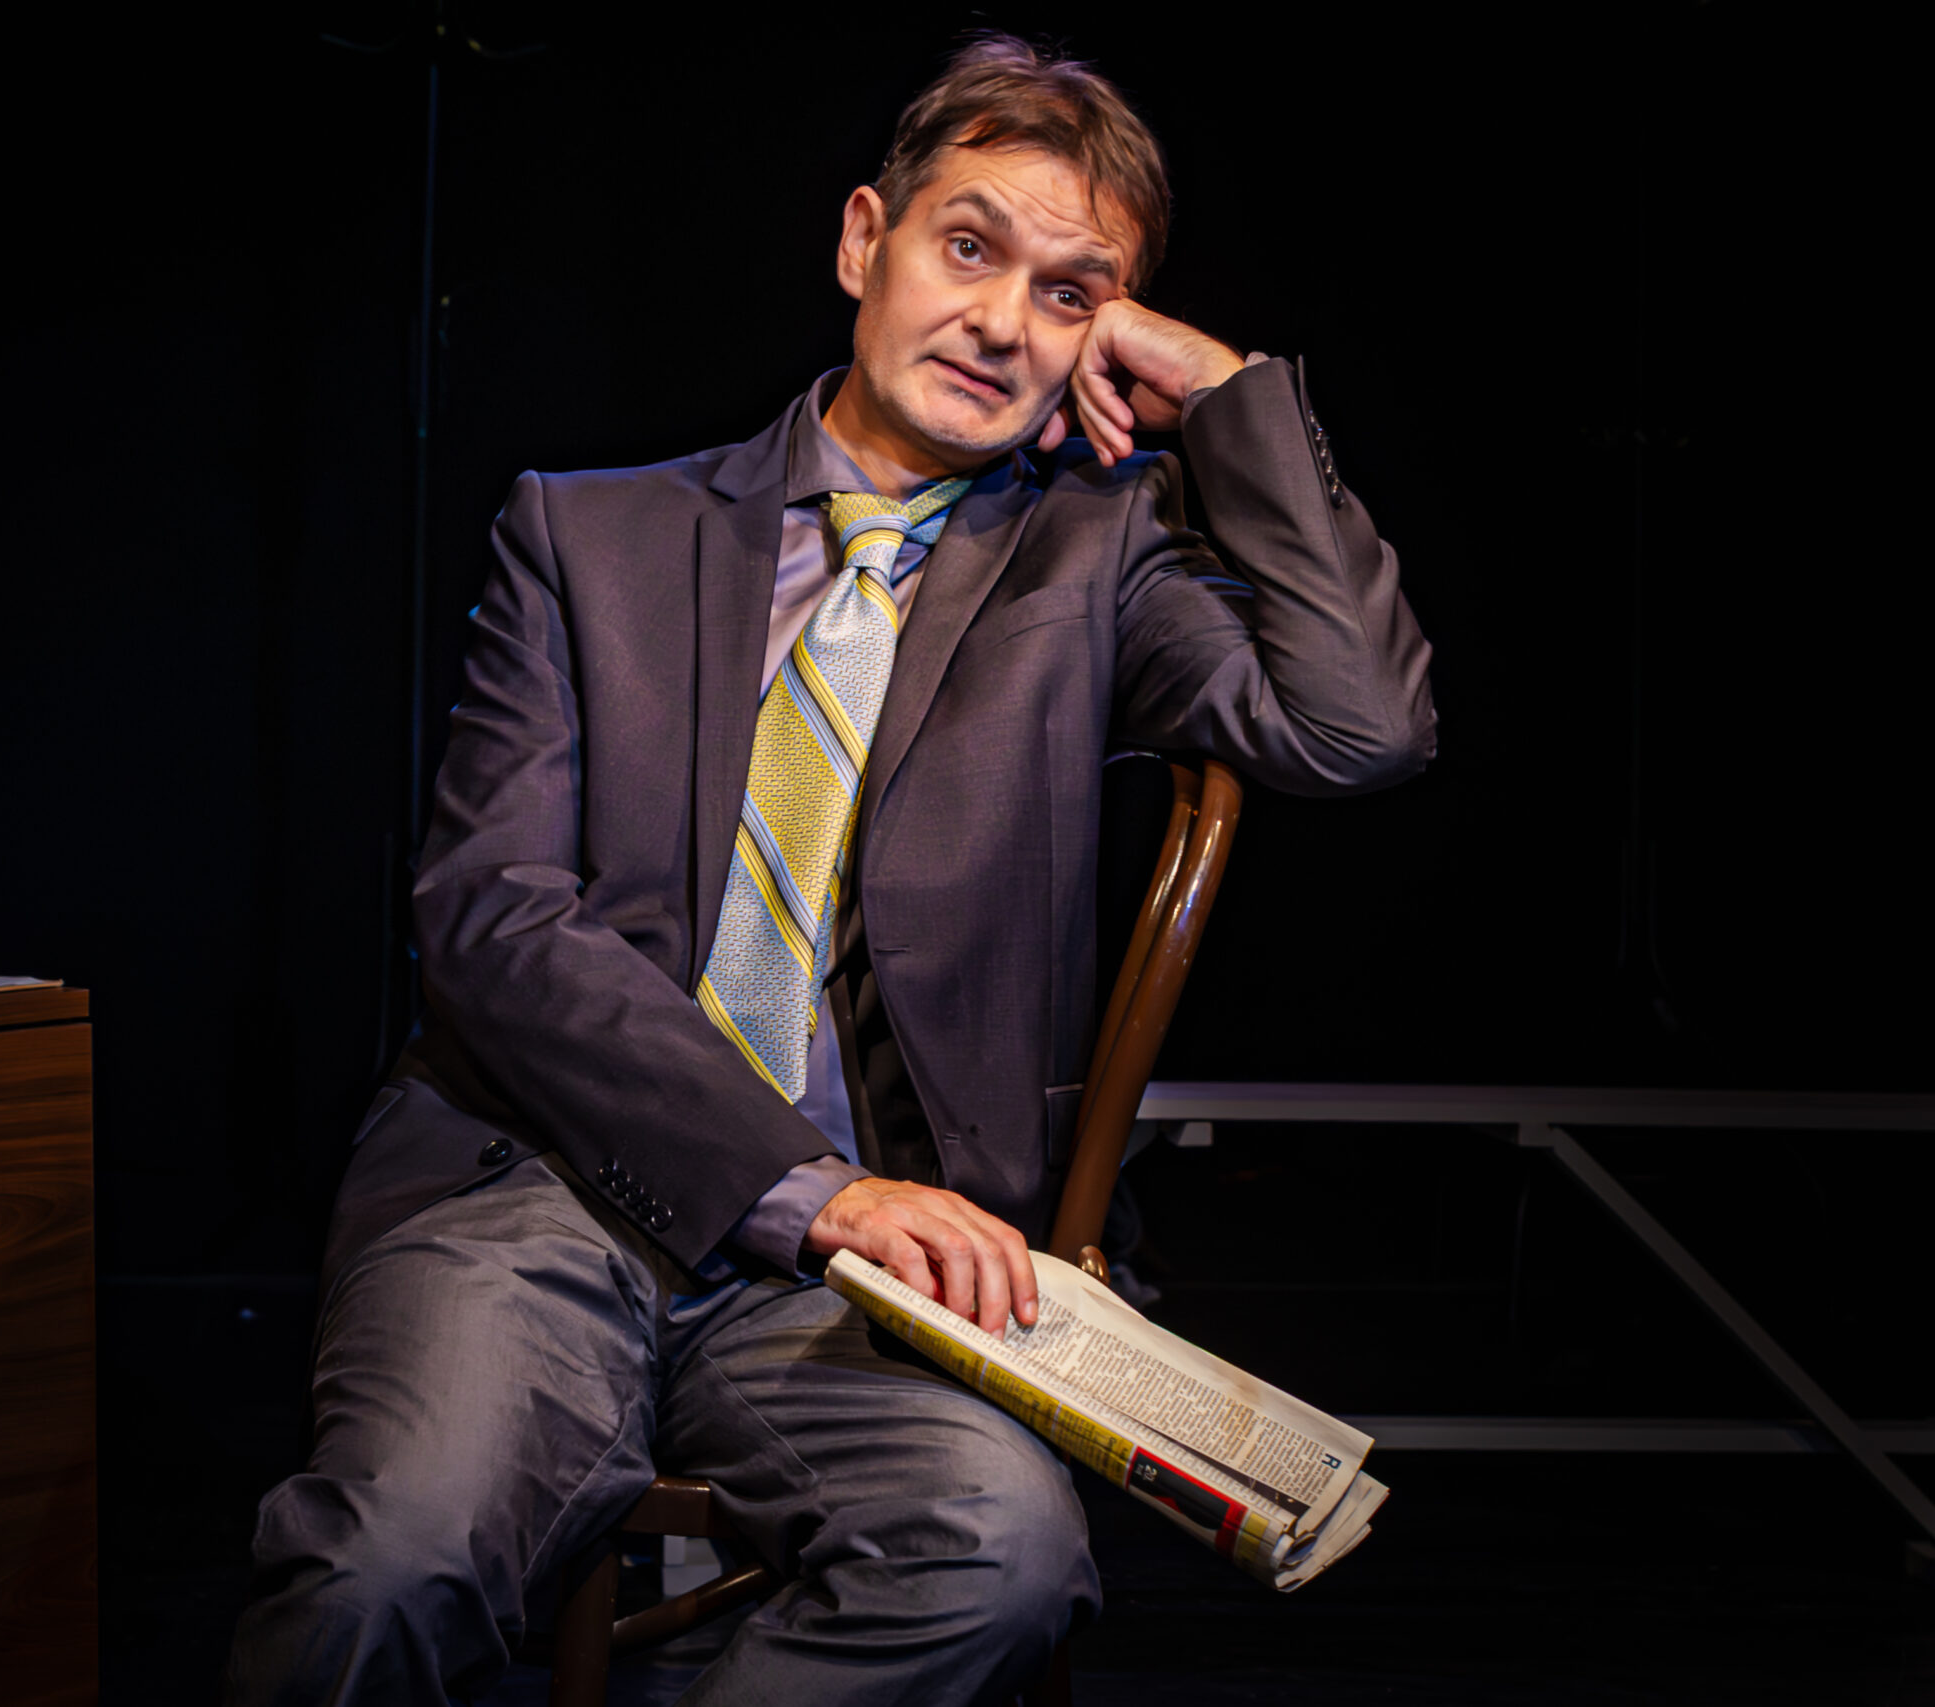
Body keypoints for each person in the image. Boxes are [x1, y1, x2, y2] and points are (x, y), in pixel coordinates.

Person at [232, 33, 1434, 1706]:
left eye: (1071, 294)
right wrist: (806, 1187)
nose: (1004, 322)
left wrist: (1224, 391)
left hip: (884, 1275)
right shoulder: (593, 535)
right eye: (969, 247)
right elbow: (493, 922)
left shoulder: (1094, 563)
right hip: (542, 1190)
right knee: (387, 1564)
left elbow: (1360, 726)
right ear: (866, 239)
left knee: (997, 1558)